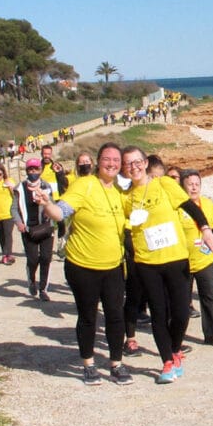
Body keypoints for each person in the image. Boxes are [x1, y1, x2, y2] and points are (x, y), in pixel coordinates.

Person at [36, 143, 134, 387]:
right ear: (97, 162)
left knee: (115, 316)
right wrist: (46, 204)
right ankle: (89, 364)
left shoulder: (121, 192)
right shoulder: (84, 185)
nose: (111, 164)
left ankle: (116, 364)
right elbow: (61, 212)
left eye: (116, 160)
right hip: (83, 265)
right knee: (88, 316)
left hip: (113, 265)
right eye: (106, 159)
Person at [120, 145, 213, 383]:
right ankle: (166, 362)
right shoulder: (125, 197)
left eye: (137, 162)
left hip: (176, 258)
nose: (133, 167)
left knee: (181, 312)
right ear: (124, 169)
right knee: (158, 312)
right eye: (128, 164)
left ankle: (175, 348)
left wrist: (206, 229)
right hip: (146, 262)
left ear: (145, 163)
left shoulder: (163, 184)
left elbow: (189, 206)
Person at [179, 169, 213, 347]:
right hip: (182, 260)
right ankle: (177, 336)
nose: (194, 187)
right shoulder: (177, 207)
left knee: (210, 296)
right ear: (182, 186)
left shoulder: (207, 204)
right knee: (181, 301)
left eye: (197, 184)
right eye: (190, 184)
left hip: (205, 259)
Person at [13, 158, 56, 301]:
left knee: (45, 258)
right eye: (30, 170)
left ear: (40, 170)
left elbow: (53, 204)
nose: (33, 172)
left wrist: (48, 209)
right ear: (27, 171)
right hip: (28, 228)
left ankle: (43, 289)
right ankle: (31, 280)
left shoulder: (46, 186)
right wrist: (19, 223)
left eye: (36, 169)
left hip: (46, 227)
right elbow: (13, 208)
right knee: (32, 259)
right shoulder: (20, 188)